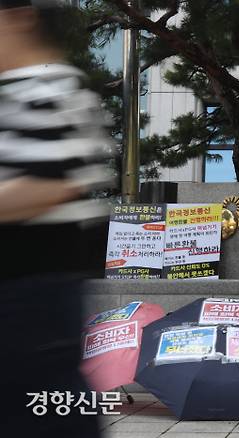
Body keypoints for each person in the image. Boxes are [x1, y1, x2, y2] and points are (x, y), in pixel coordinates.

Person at [0, 1, 113, 436]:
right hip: (29, 296)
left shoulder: (48, 86)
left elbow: (51, 183)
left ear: (20, 17)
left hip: (31, 295)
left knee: (44, 405)